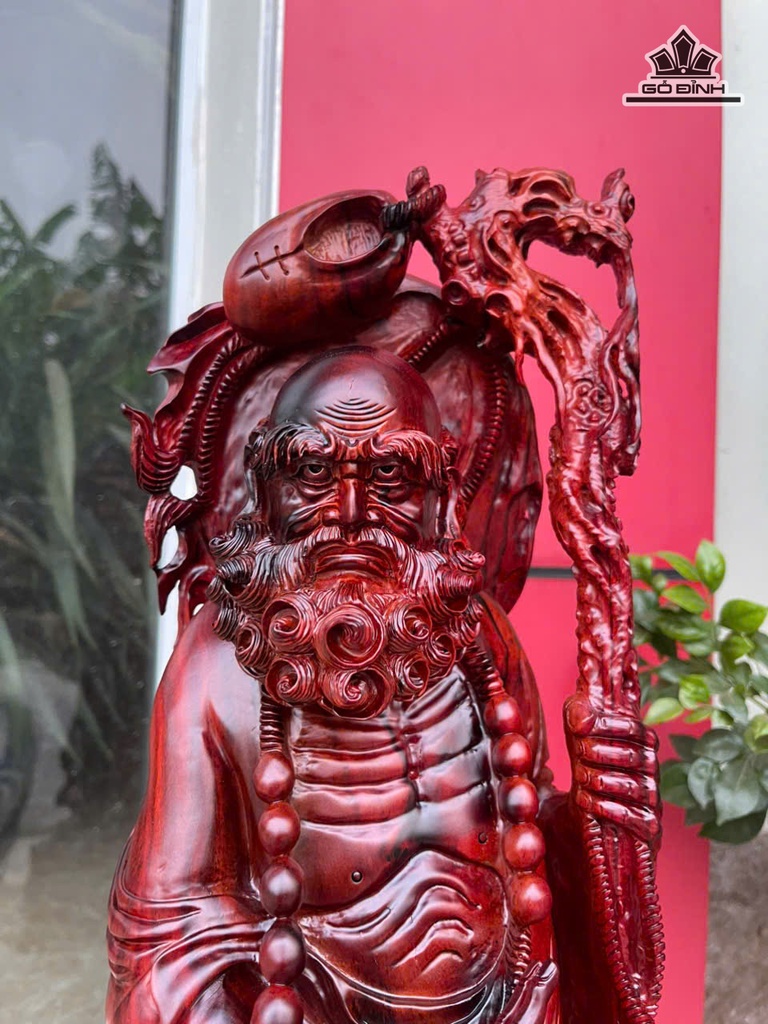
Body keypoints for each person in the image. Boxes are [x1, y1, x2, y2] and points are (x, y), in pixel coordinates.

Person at [107, 347, 658, 1024]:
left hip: (514, 993)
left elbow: (527, 822)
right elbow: (172, 927)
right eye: (314, 472)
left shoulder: (479, 635)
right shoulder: (216, 662)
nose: (349, 513)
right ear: (266, 488)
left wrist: (597, 813)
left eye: (390, 474)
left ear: (439, 494)